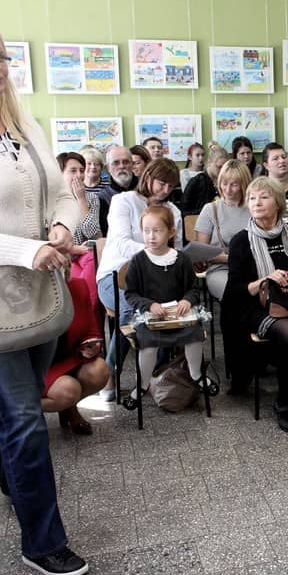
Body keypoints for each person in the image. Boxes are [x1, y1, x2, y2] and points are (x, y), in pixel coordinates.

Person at [0, 16, 88, 575]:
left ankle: (13, 480)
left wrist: (61, 227)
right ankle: (43, 542)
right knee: (26, 415)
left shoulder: (23, 125)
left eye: (2, 56)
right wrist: (25, 249)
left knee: (23, 405)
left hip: (37, 291)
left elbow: (64, 194)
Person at [220, 176, 288, 431]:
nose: (256, 202)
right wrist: (266, 280)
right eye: (252, 198)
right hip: (257, 306)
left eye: (263, 197)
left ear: (277, 202)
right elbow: (235, 290)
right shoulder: (241, 240)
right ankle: (283, 401)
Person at [95, 158, 183, 401]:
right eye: (162, 183)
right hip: (114, 276)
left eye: (171, 186)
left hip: (155, 281)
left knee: (170, 307)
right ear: (148, 177)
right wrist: (157, 253)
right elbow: (122, 244)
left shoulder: (173, 211)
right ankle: (110, 372)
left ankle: (158, 371)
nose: (165, 190)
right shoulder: (123, 201)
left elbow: (177, 249)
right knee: (131, 309)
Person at [125, 206, 207, 401]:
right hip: (151, 317)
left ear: (171, 232)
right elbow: (130, 293)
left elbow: (194, 289)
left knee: (194, 334)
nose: (151, 236)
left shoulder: (181, 259)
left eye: (157, 230)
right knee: (148, 344)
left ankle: (196, 374)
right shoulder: (138, 261)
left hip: (178, 315)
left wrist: (187, 300)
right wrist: (148, 305)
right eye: (146, 231)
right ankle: (143, 383)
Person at [43, 277, 107, 435]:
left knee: (99, 370)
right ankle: (20, 412)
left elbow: (91, 329)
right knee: (68, 390)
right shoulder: (27, 293)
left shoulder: (78, 285)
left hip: (70, 358)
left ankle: (68, 407)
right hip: (38, 366)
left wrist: (91, 346)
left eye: (65, 264)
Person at [194, 159, 252, 301]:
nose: (227, 189)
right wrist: (234, 259)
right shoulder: (210, 209)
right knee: (238, 292)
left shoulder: (253, 208)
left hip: (252, 268)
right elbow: (202, 253)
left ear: (244, 184)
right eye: (224, 183)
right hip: (221, 269)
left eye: (234, 185)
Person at [57, 152, 102, 308]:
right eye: (73, 171)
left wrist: (81, 200)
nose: (79, 175)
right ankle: (86, 308)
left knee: (92, 257)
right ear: (61, 173)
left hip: (85, 254)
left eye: (82, 170)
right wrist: (73, 248)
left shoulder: (91, 198)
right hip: (64, 254)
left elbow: (93, 234)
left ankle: (89, 308)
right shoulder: (53, 199)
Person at [97, 145, 138, 237]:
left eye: (126, 162)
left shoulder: (146, 189)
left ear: (132, 164)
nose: (122, 166)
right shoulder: (102, 198)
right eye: (116, 163)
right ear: (108, 168)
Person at [181, 145, 228, 215]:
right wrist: (209, 210)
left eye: (225, 167)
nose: (222, 170)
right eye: (219, 167)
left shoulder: (227, 181)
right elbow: (183, 212)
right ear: (209, 162)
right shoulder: (196, 181)